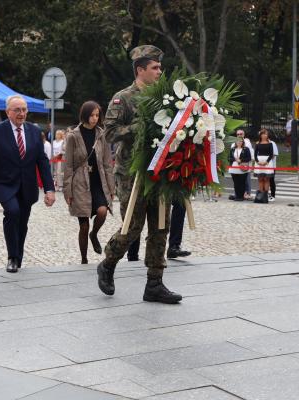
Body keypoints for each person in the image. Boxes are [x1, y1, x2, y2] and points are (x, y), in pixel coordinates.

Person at [98, 44, 182, 304]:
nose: (160, 71)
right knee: (132, 227)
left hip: (160, 172)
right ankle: (108, 263)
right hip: (131, 174)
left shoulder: (167, 98)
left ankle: (154, 284)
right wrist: (140, 125)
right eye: (155, 67)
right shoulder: (123, 98)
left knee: (160, 227)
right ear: (140, 69)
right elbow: (109, 132)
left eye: (160, 67)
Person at [0, 95, 55, 273]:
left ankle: (18, 256)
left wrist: (49, 189)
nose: (21, 113)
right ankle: (12, 257)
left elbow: (42, 162)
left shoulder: (34, 132)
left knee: (23, 222)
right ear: (8, 112)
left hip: (27, 186)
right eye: (17, 110)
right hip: (4, 185)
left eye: (24, 110)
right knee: (12, 212)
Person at [63, 101, 115, 264]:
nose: (94, 118)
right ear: (85, 115)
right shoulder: (73, 136)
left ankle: (94, 234)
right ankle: (84, 258)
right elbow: (68, 166)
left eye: (97, 115)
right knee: (83, 224)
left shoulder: (102, 134)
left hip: (98, 181)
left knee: (102, 212)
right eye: (92, 115)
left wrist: (111, 187)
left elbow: (107, 163)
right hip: (80, 183)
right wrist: (68, 191)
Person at [231, 129, 254, 199]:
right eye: (238, 134)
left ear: (244, 134)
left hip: (245, 163)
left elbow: (251, 153)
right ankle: (238, 194)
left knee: (246, 180)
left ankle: (248, 193)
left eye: (241, 134)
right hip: (236, 164)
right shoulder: (233, 143)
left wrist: (251, 163)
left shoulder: (247, 142)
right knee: (237, 180)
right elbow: (231, 154)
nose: (239, 135)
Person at [253, 129, 274, 204]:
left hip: (267, 162)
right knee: (260, 179)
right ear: (260, 135)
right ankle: (260, 196)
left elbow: (271, 154)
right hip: (259, 161)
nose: (264, 135)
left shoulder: (270, 143)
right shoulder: (257, 143)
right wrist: (258, 162)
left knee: (266, 179)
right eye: (263, 134)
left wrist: (266, 161)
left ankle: (265, 196)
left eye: (266, 134)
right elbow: (255, 154)